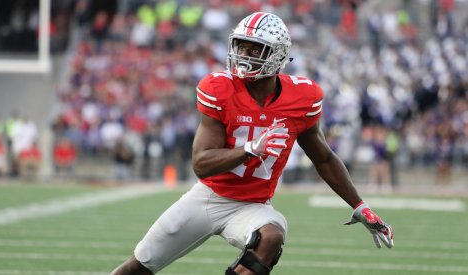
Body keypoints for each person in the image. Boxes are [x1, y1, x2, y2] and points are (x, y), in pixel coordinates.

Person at [111, 12, 393, 275]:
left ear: (278, 54)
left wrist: (359, 205)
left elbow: (324, 158)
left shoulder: (301, 98)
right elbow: (201, 163)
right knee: (137, 268)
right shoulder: (219, 89)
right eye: (241, 46)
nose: (244, 55)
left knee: (271, 235)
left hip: (252, 205)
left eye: (254, 49)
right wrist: (249, 150)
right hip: (208, 197)